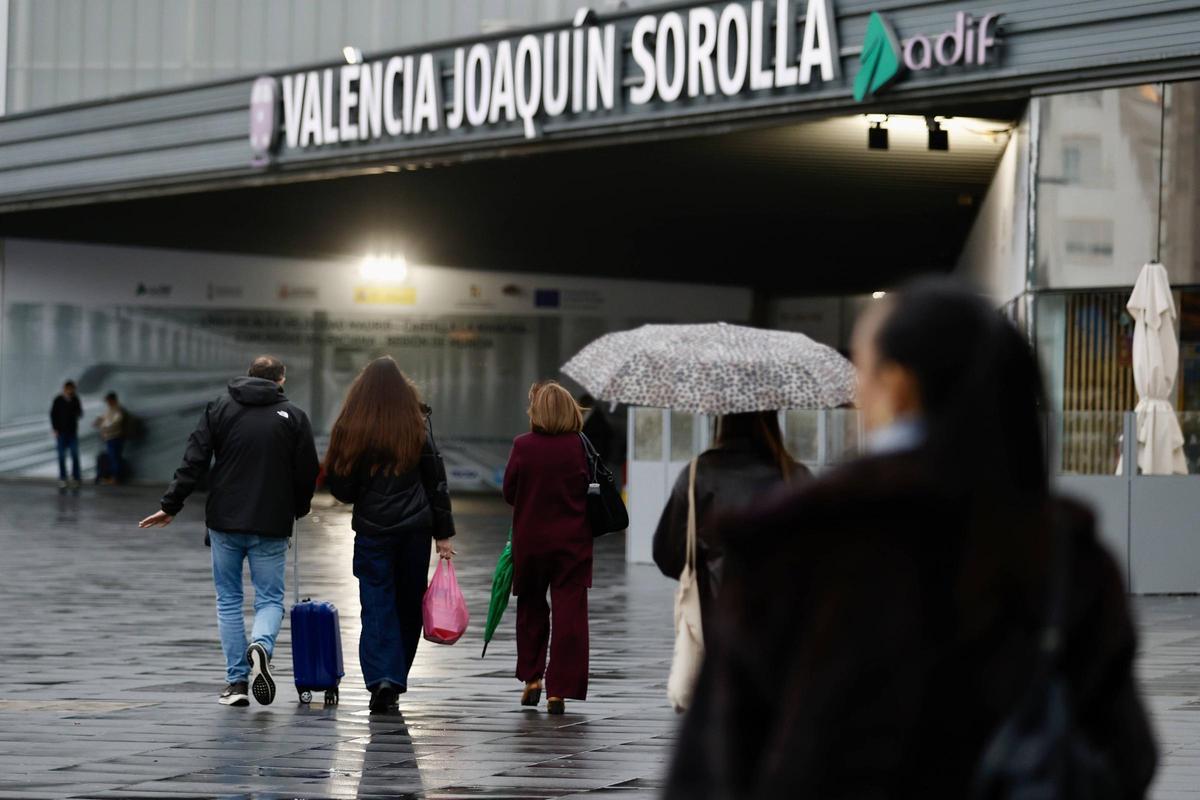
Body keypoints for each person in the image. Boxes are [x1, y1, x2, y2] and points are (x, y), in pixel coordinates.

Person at [666, 280, 1157, 798]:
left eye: (864, 370)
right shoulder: (1063, 552)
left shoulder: (794, 542)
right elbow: (1127, 754)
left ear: (898, 385)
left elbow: (713, 767)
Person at [138, 356, 319, 708]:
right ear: (280, 379)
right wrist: (298, 507)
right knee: (269, 598)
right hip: (270, 522)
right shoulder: (294, 417)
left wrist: (171, 505)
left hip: (224, 522)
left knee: (229, 600)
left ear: (248, 376)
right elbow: (307, 471)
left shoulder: (219, 408)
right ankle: (262, 646)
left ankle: (237, 683)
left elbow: (194, 459)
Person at [323, 356, 456, 713]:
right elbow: (435, 480)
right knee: (409, 602)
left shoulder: (352, 424)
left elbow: (340, 484)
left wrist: (363, 490)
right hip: (415, 530)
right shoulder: (416, 421)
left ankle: (382, 677)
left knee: (377, 602)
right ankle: (394, 679)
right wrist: (443, 534)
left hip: (372, 529)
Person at [652, 411, 809, 633]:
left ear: (723, 419)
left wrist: (705, 564)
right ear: (772, 419)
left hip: (718, 619)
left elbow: (667, 553)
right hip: (786, 619)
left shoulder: (700, 474)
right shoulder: (795, 476)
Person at [503, 380, 592, 715]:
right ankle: (560, 690)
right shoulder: (580, 446)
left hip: (531, 541)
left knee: (531, 608)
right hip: (573, 542)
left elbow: (510, 492)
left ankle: (532, 678)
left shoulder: (523, 446)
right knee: (570, 615)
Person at [50, 380, 83, 488]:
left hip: (72, 432)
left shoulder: (75, 399)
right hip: (61, 433)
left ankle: (75, 478)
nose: (70, 391)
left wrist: (74, 406)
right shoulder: (58, 400)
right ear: (65, 389)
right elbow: (53, 414)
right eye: (68, 389)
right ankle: (63, 478)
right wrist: (55, 429)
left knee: (74, 455)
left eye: (72, 389)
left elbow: (80, 413)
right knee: (61, 456)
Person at [94, 391, 126, 484]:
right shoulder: (110, 409)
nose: (107, 402)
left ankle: (115, 478)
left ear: (113, 400)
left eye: (108, 400)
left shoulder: (118, 410)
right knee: (113, 457)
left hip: (115, 437)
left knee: (115, 457)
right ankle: (113, 477)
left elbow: (116, 423)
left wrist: (104, 427)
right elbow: (104, 418)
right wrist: (99, 421)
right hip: (109, 437)